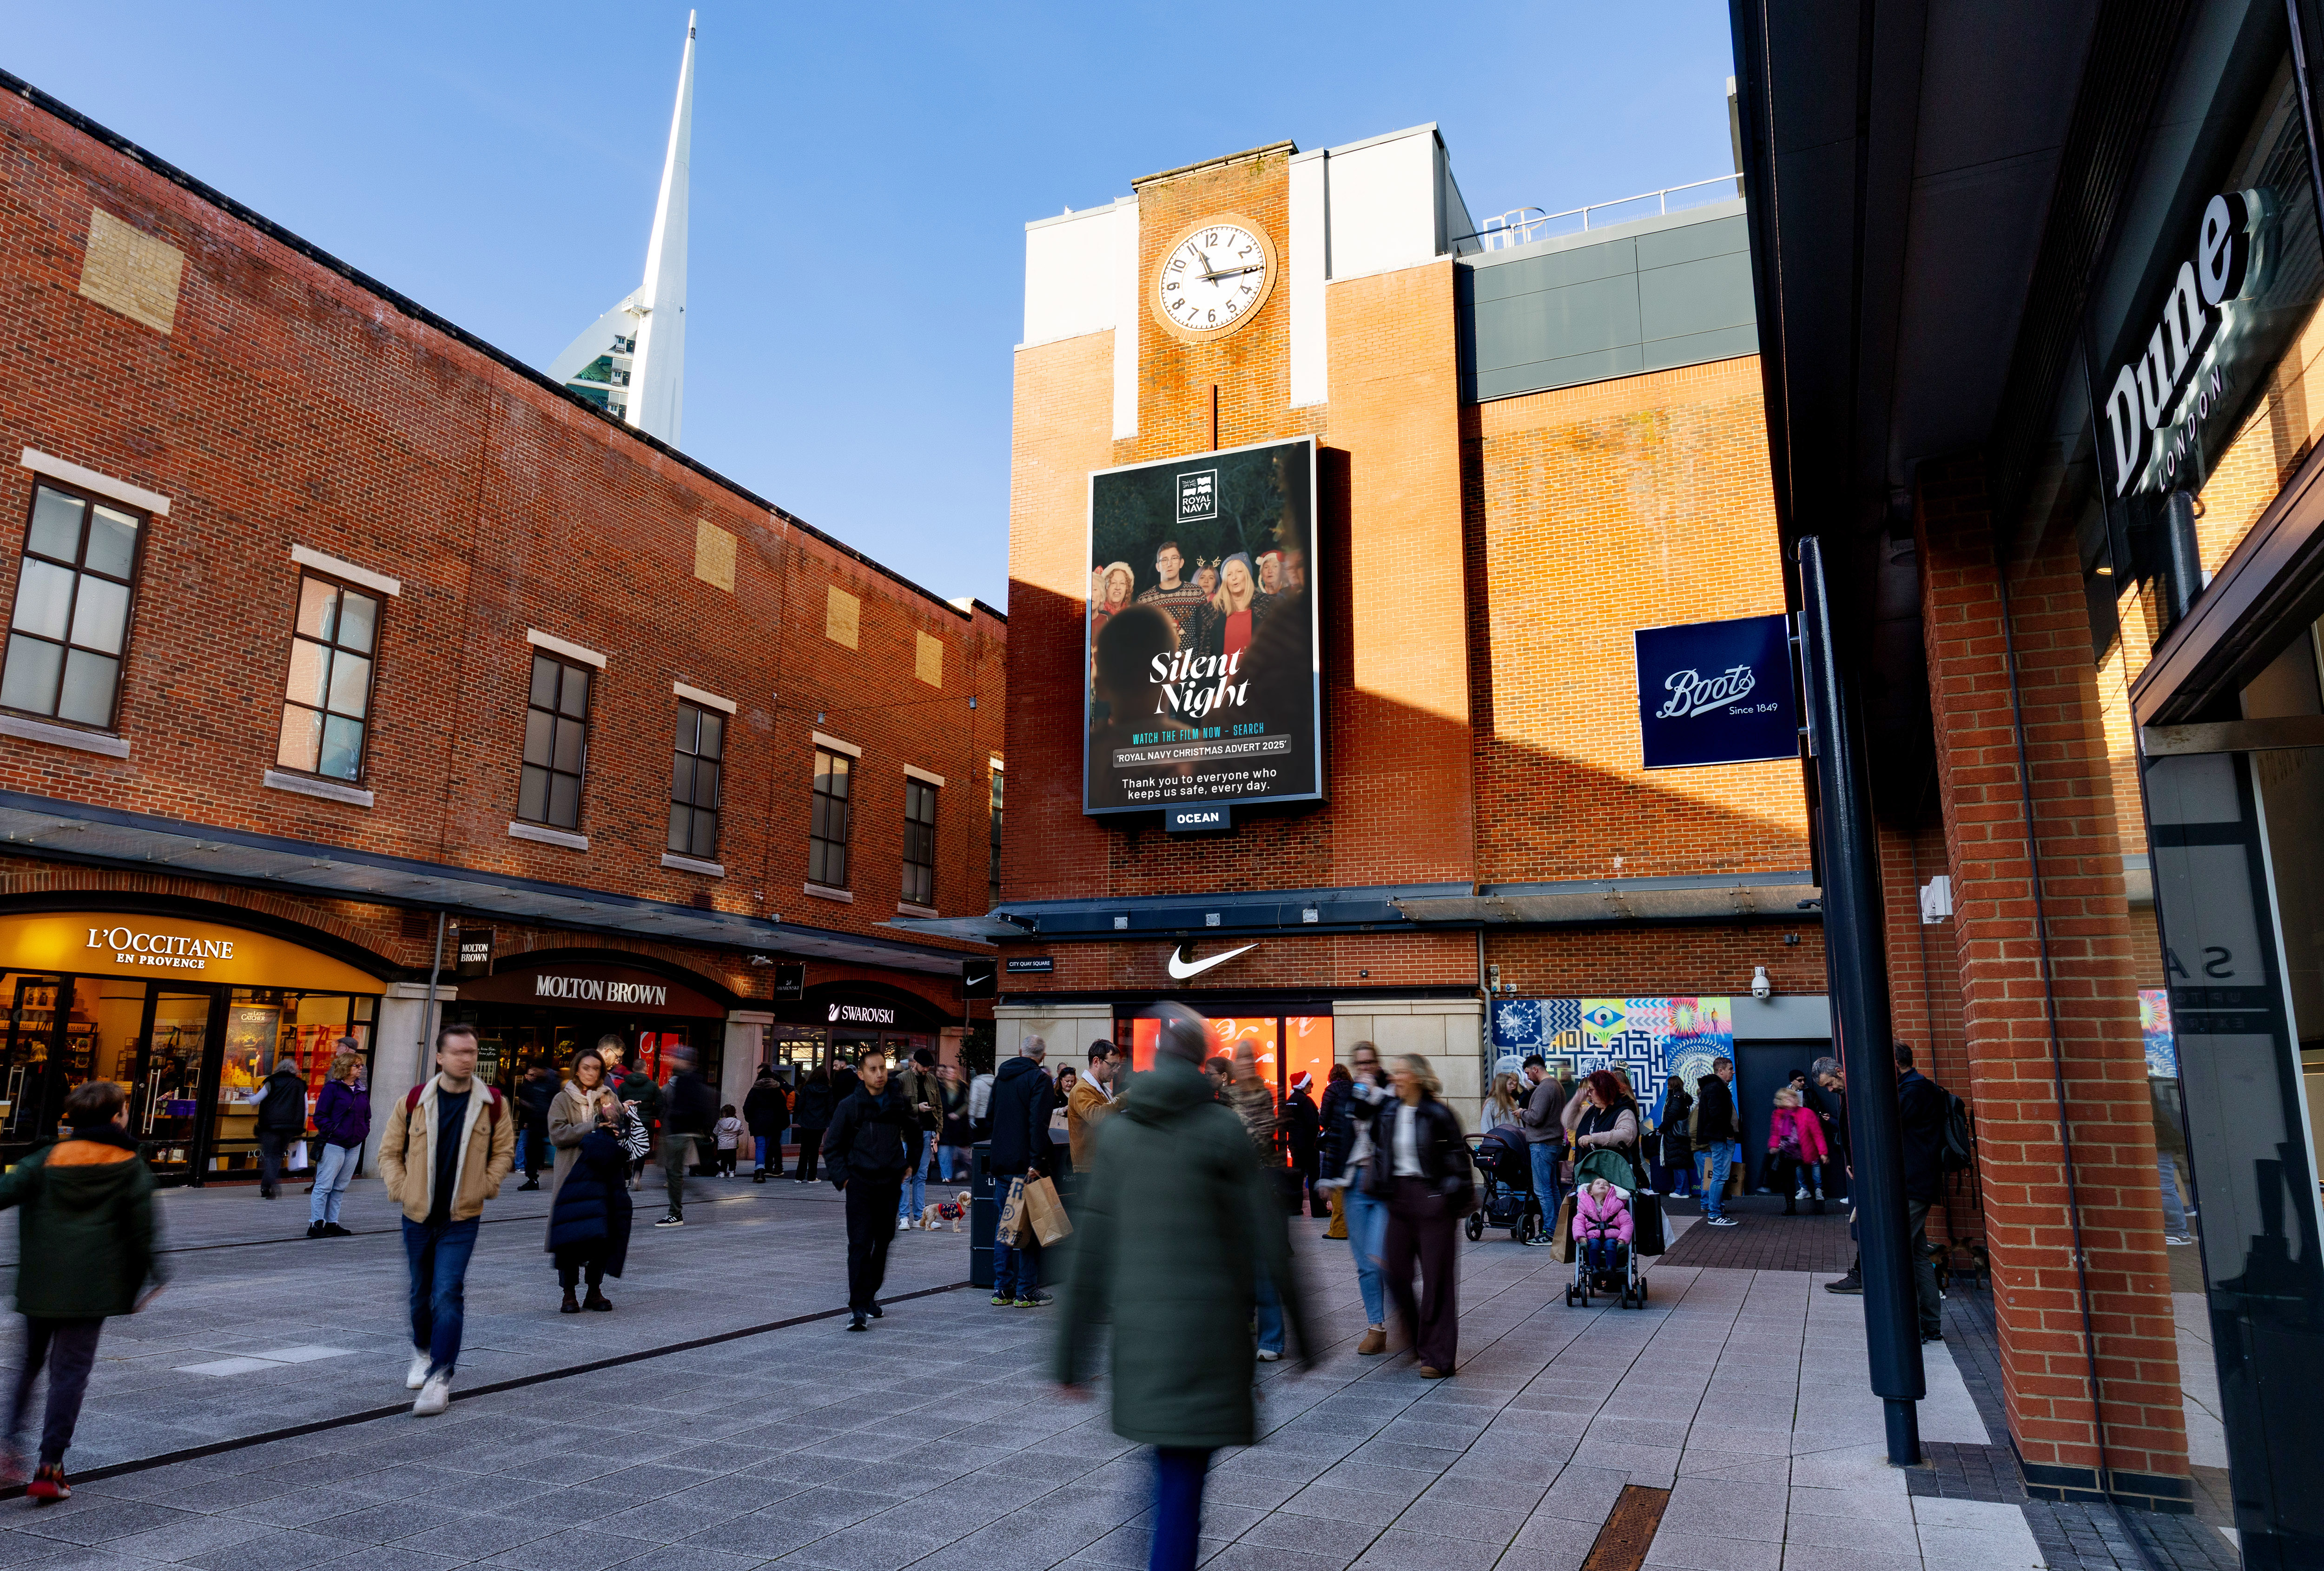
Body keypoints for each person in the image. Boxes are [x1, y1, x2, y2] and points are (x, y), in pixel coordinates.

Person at [1054, 1014, 1312, 1571]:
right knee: (1181, 1475)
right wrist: (1306, 1337)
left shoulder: (1119, 1131)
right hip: (1211, 1336)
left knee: (1167, 1460)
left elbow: (1091, 1248)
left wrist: (1067, 1356)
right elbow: (1268, 1239)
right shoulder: (1222, 1129)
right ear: (1199, 1061)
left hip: (1143, 1338)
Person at [0, 1078, 162, 1500]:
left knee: (30, 1364)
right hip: (90, 1290)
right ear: (115, 1117)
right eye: (125, 1110)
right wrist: (154, 1273)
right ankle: (49, 1469)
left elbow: (4, 1191)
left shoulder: (46, 1158)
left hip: (41, 1284)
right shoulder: (129, 1165)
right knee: (69, 1374)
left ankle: (7, 1447)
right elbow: (143, 1227)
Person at [377, 1024, 515, 1416]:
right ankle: (422, 1351)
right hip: (417, 1216)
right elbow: (389, 1152)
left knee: (448, 1292)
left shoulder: (493, 1103)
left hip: (462, 1218)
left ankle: (440, 1378)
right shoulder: (414, 1101)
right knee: (420, 1295)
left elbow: (504, 1150)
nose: (466, 1058)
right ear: (439, 1057)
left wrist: (486, 1186)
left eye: (471, 1052)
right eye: (457, 1052)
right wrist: (402, 1190)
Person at [1372, 1054, 1470, 1377]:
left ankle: (1438, 1358)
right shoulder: (1389, 1111)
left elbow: (1458, 1160)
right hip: (1399, 1201)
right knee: (1396, 1273)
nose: (1395, 1077)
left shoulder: (1439, 1114)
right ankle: (1418, 1337)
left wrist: (1444, 1197)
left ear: (1415, 1077)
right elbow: (1379, 1150)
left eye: (1400, 1072)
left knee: (1437, 1281)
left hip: (1432, 1201)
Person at [822, 1049, 916, 1330]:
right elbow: (832, 1147)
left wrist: (910, 1163)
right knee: (861, 1244)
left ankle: (870, 1295)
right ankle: (859, 1307)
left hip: (889, 1184)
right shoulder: (849, 1106)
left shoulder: (898, 1103)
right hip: (860, 1185)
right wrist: (846, 1179)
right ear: (861, 1074)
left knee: (884, 1241)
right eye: (873, 1070)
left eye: (883, 1069)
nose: (879, 1075)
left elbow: (916, 1132)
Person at [1322, 1043, 1393, 1352]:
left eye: (1370, 1062)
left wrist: (1375, 1097)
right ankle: (1375, 1327)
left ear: (1377, 1064)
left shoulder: (1391, 1093)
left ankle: (1408, 1316)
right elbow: (1336, 1137)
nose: (1365, 1068)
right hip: (1354, 1185)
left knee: (1382, 1258)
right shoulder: (1347, 1097)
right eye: (1359, 1063)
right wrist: (1327, 1178)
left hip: (1384, 1185)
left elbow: (1391, 1135)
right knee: (1365, 1262)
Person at [545, 1084, 632, 1314]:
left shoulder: (608, 1096)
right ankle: (569, 1293)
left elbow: (622, 1130)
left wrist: (617, 1115)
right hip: (571, 1172)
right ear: (577, 1070)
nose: (591, 1073)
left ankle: (595, 1291)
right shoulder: (563, 1099)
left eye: (596, 1068)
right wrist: (592, 1126)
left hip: (603, 1172)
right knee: (569, 1232)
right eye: (586, 1068)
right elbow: (557, 1135)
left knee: (603, 1230)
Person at [987, 1036, 1057, 1307]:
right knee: (1029, 1224)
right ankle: (1026, 1290)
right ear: (1042, 1056)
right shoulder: (1038, 1080)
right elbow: (1038, 1123)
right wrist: (1037, 1160)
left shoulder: (1001, 1076)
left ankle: (1002, 1288)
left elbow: (990, 1115)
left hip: (1002, 1162)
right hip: (1025, 1166)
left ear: (1020, 1052)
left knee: (1006, 1224)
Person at [1896, 1042, 1948, 1342]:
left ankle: (1915, 1326)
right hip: (1918, 1181)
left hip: (1914, 1182)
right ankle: (1930, 1324)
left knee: (1900, 1250)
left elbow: (1892, 1122)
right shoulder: (1916, 1088)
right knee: (1916, 1254)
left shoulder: (1913, 1092)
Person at [306, 1045, 369, 1238]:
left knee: (340, 1187)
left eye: (361, 1066)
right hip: (334, 1144)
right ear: (345, 1067)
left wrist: (363, 1131)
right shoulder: (332, 1089)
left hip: (354, 1144)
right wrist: (335, 1131)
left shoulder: (361, 1090)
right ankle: (316, 1224)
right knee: (324, 1186)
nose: (360, 1069)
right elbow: (320, 1117)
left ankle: (332, 1222)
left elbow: (367, 1116)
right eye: (356, 1066)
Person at [1817, 1059, 1866, 1295]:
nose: (1829, 1089)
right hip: (1860, 1170)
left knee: (1865, 1225)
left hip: (1867, 1172)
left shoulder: (1858, 1094)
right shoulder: (1849, 1095)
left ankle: (1861, 1275)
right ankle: (1860, 1273)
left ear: (1839, 1072)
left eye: (1829, 1083)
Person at [654, 1046, 716, 1227]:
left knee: (674, 1174)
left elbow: (695, 1107)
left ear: (686, 1061)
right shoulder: (689, 1079)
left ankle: (675, 1214)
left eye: (677, 1058)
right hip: (680, 1131)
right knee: (674, 1173)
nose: (674, 1061)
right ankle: (677, 1210)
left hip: (679, 1132)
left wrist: (675, 1116)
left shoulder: (687, 1081)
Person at [1564, 1069, 1644, 1192]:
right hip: (1588, 1177)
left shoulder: (1624, 1111)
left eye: (1592, 1090)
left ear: (1604, 1090)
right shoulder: (1592, 1111)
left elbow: (1627, 1135)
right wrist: (1577, 1099)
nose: (1589, 1094)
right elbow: (1568, 1122)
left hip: (1613, 1180)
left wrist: (1593, 1138)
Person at [891, 1048, 944, 1234]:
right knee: (906, 1175)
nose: (926, 1070)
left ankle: (919, 1218)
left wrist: (938, 1131)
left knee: (921, 1175)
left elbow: (938, 1107)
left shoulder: (931, 1080)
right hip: (908, 1134)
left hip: (928, 1132)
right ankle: (904, 1217)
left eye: (929, 1067)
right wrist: (917, 1108)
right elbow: (896, 1106)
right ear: (915, 1063)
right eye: (923, 1066)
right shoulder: (902, 1079)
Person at [1517, 1055, 1567, 1246]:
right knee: (1552, 1188)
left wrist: (1522, 1112)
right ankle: (1556, 1229)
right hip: (1552, 1143)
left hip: (1542, 1144)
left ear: (1536, 1069)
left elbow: (1536, 1117)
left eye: (1528, 1073)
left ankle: (1549, 1232)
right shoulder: (1556, 1086)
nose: (1528, 1077)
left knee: (1543, 1190)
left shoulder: (1546, 1088)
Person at [252, 1052, 309, 1201]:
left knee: (270, 1156)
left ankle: (271, 1184)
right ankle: (267, 1185)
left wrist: (248, 1098)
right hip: (290, 1127)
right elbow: (306, 1108)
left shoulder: (272, 1081)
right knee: (277, 1156)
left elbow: (256, 1100)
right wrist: (301, 1126)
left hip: (270, 1126)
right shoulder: (300, 1084)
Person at [1767, 1087, 1829, 1214]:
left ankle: (1817, 1207)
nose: (1792, 1100)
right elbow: (1775, 1133)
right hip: (1786, 1153)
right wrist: (1773, 1146)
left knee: (1809, 1180)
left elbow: (1818, 1134)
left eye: (1793, 1097)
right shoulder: (1778, 1114)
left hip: (1804, 1152)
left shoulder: (1807, 1113)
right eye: (1787, 1098)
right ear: (1781, 1101)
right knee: (1787, 1181)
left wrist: (1823, 1153)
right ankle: (1791, 1207)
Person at [1693, 1057, 1740, 1227]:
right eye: (1730, 1069)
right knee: (1720, 1176)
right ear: (1720, 1071)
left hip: (1720, 1137)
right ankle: (1714, 1214)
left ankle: (1717, 1210)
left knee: (1720, 1176)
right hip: (1721, 1138)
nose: (1733, 1072)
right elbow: (1716, 1114)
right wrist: (1728, 1133)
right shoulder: (1715, 1088)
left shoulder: (1713, 1087)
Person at [1575, 1175, 1633, 1294]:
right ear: (1590, 1192)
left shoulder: (1618, 1208)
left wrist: (1623, 1239)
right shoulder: (1584, 1209)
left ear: (1611, 1191)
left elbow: (1627, 1224)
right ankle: (1595, 1269)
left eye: (1606, 1184)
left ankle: (1610, 1269)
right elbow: (1578, 1223)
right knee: (1594, 1245)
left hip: (1612, 1237)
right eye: (1598, 1184)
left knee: (1611, 1245)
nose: (1602, 1185)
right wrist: (1581, 1237)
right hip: (1593, 1238)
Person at [1067, 1045, 1119, 1175]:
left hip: (1101, 1166)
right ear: (1096, 1062)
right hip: (1089, 1169)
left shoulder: (1100, 1089)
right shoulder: (1082, 1089)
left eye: (1118, 1066)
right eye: (1112, 1065)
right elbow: (1096, 1117)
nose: (1116, 1070)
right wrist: (1123, 1099)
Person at [1317, 1063, 1354, 1240]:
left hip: (1337, 1141)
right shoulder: (1355, 1088)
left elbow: (1324, 1119)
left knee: (1338, 1186)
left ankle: (1339, 1229)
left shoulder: (1330, 1091)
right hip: (1355, 1142)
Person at [614, 1044, 659, 1192]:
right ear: (645, 1068)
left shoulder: (624, 1085)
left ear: (633, 1069)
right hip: (645, 1120)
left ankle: (626, 1175)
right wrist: (653, 1112)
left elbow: (617, 1103)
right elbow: (660, 1103)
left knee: (625, 1147)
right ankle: (637, 1176)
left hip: (627, 1121)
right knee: (641, 1149)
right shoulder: (652, 1086)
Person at [1283, 1071, 1321, 1218]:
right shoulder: (1306, 1101)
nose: (1312, 1085)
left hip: (1295, 1146)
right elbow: (1313, 1123)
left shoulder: (1290, 1100)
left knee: (1297, 1177)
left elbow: (1285, 1124)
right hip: (1309, 1146)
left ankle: (1294, 1208)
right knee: (1313, 1177)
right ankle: (1318, 1210)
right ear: (1305, 1085)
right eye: (1310, 1082)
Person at [514, 1062, 557, 1191]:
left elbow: (553, 1100)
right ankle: (532, 1179)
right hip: (536, 1122)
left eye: (535, 1072)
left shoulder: (551, 1082)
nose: (534, 1075)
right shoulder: (535, 1084)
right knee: (533, 1151)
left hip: (546, 1121)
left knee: (551, 1148)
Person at [743, 1064, 788, 1182]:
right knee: (767, 1146)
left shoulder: (755, 1090)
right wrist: (783, 1122)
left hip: (757, 1123)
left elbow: (747, 1107)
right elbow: (783, 1108)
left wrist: (750, 1119)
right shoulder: (777, 1090)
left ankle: (759, 1172)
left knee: (760, 1147)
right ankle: (762, 1170)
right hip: (772, 1124)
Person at [791, 1065, 833, 1183]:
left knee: (804, 1150)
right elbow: (830, 1108)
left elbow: (800, 1105)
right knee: (815, 1151)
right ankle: (812, 1177)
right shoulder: (828, 1090)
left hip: (806, 1121)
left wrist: (801, 1115)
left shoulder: (807, 1088)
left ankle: (799, 1177)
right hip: (820, 1123)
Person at [1655, 1072, 1693, 1198]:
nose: (1667, 1087)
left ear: (1672, 1085)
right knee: (1680, 1162)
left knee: (1678, 1164)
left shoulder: (1676, 1099)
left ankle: (1682, 1191)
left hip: (1675, 1136)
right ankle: (1683, 1189)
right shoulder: (1683, 1097)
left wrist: (1662, 1128)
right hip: (1680, 1135)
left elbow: (1672, 1115)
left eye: (1669, 1085)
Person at [938, 1063, 974, 1181]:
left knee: (960, 1151)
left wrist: (958, 1114)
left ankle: (960, 1171)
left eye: (953, 1073)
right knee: (944, 1151)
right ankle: (946, 1176)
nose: (951, 1075)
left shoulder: (963, 1086)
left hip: (959, 1125)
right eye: (949, 1073)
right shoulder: (940, 1087)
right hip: (945, 1124)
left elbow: (967, 1103)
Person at [1479, 1071, 1524, 1136]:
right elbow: (1486, 1126)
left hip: (1513, 1141)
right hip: (1497, 1142)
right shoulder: (1491, 1103)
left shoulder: (1513, 1103)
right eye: (1510, 1084)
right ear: (1502, 1086)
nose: (1513, 1086)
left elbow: (1519, 1125)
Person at [713, 1104, 743, 1176]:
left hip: (722, 1145)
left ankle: (722, 1172)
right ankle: (732, 1171)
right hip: (733, 1144)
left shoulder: (720, 1122)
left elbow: (715, 1132)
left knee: (724, 1159)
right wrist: (736, 1134)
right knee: (732, 1159)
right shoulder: (737, 1122)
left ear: (724, 1113)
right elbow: (741, 1131)